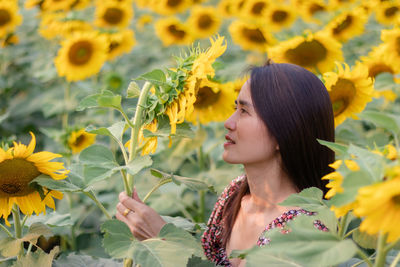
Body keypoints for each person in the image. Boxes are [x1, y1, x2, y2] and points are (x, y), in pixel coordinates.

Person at [115, 61, 335, 267]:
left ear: (284, 131)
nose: (228, 123)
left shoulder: (304, 230)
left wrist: (164, 241)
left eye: (244, 111)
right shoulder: (234, 195)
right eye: (234, 108)